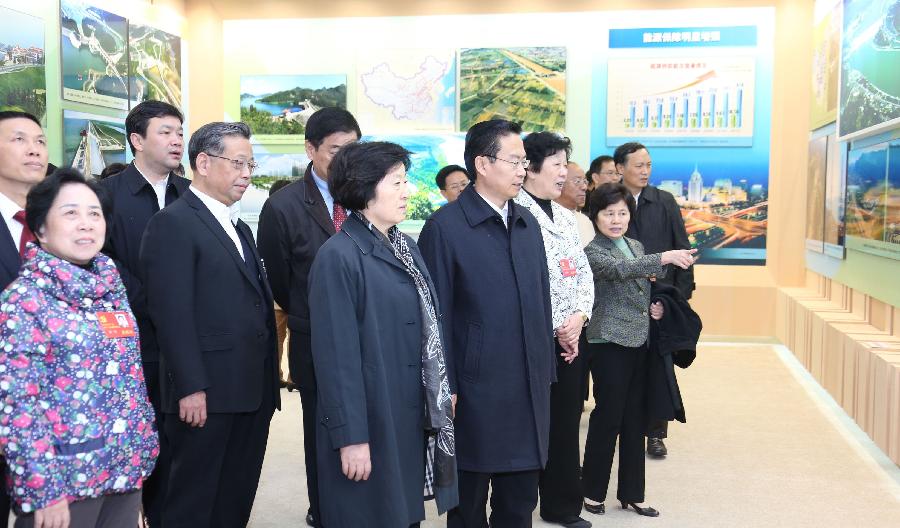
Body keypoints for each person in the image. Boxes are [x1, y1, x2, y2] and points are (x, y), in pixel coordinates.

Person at [309, 141, 458, 527]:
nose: (407, 191)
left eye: (405, 181)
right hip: (371, 419)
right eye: (396, 183)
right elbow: (336, 359)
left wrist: (443, 389)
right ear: (363, 187)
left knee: (401, 514)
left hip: (404, 412)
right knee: (370, 514)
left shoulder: (404, 245)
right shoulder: (338, 256)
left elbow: (430, 326)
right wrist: (351, 438)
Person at [140, 121, 280, 527]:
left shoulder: (236, 225)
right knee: (191, 501)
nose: (247, 174)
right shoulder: (174, 224)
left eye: (250, 164)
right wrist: (190, 387)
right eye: (238, 163)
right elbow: (171, 314)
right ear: (203, 162)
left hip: (249, 389)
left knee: (234, 496)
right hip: (205, 395)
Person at [0, 168, 158, 527]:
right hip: (64, 483)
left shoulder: (111, 291)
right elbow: (16, 408)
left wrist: (137, 457)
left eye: (94, 213)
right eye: (70, 213)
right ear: (40, 228)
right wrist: (43, 491)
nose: (86, 224)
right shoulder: (24, 302)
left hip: (123, 470)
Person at [418, 119, 555, 528]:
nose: (523, 171)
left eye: (524, 162)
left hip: (528, 387)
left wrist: (545, 367)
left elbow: (542, 301)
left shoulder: (527, 224)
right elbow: (432, 317)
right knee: (469, 503)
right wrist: (447, 386)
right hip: (474, 391)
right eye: (514, 161)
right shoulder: (445, 228)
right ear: (482, 163)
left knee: (519, 503)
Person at [256, 107, 361, 527]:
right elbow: (280, 283)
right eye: (336, 150)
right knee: (323, 428)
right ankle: (324, 509)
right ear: (311, 149)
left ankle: (360, 506)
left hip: (367, 338)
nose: (345, 160)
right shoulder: (282, 207)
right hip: (314, 338)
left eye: (353, 150)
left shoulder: (366, 194)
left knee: (365, 427)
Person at [99, 100, 190, 526]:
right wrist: (157, 300)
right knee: (140, 443)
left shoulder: (191, 195)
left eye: (179, 131)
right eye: (166, 132)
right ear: (136, 140)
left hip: (187, 344)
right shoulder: (105, 197)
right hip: (133, 343)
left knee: (183, 447)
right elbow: (102, 264)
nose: (177, 140)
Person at [580, 183, 695, 519]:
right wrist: (665, 257)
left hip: (640, 341)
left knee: (636, 419)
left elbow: (642, 285)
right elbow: (619, 271)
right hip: (609, 343)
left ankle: (633, 493)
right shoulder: (594, 251)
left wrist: (655, 306)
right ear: (596, 216)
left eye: (622, 213)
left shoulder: (635, 244)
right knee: (607, 417)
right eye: (608, 213)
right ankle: (592, 492)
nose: (616, 219)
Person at [515, 132, 594, 528]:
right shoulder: (513, 212)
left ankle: (562, 505)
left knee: (564, 424)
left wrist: (578, 318)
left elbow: (582, 274)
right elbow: (523, 283)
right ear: (529, 166)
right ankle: (521, 504)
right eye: (557, 164)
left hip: (571, 340)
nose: (564, 172)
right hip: (532, 340)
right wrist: (556, 327)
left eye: (566, 164)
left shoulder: (565, 216)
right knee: (529, 426)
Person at [615, 141, 695, 458]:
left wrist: (677, 300)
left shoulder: (664, 201)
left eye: (648, 165)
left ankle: (656, 433)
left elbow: (682, 249)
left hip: (659, 301)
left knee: (659, 369)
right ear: (620, 168)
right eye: (638, 165)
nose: (645, 171)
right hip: (620, 300)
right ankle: (625, 426)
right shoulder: (609, 200)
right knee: (624, 369)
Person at [0, 110, 49, 527]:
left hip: (51, 411)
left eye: (39, 140)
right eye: (19, 139)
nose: (34, 148)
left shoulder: (58, 227)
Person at [266, 178, 294, 390]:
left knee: (296, 339)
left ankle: (294, 376)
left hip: (297, 296)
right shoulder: (270, 220)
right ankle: (275, 375)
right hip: (276, 297)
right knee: (276, 338)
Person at [555, 161, 594, 247]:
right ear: (558, 183)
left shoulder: (585, 221)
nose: (584, 187)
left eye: (585, 181)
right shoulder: (547, 220)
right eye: (577, 181)